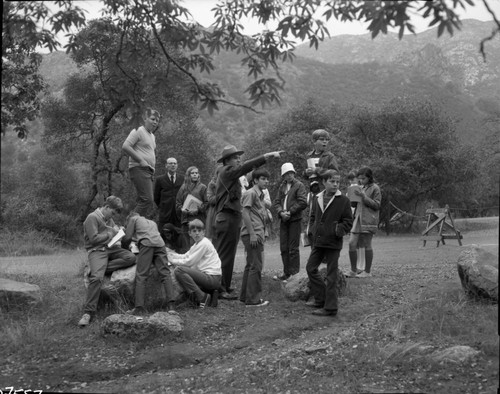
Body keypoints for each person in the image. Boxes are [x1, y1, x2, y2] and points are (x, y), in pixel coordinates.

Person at [212, 145, 284, 300]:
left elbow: (249, 174)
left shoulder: (232, 175)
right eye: (235, 157)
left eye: (239, 157)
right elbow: (245, 168)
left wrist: (262, 163)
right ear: (226, 161)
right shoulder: (226, 171)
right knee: (224, 255)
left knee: (229, 254)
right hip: (226, 217)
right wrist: (266, 155)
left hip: (232, 217)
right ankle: (219, 288)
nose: (239, 159)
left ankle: (225, 286)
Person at [78, 196, 136, 327]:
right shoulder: (92, 218)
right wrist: (111, 234)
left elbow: (114, 229)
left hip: (111, 248)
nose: (113, 216)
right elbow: (93, 239)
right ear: (107, 207)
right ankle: (88, 313)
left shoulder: (108, 218)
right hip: (97, 250)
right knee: (97, 278)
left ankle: (98, 268)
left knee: (131, 258)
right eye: (113, 212)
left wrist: (120, 231)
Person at [306, 170, 353, 316]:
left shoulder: (343, 200)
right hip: (319, 241)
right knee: (310, 268)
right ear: (324, 182)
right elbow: (313, 216)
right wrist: (312, 231)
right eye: (332, 181)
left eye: (338, 182)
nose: (335, 184)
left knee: (332, 275)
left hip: (333, 242)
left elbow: (348, 222)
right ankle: (321, 299)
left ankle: (331, 308)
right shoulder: (317, 198)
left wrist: (336, 230)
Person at [123, 211, 176, 315]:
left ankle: (139, 307)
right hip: (160, 245)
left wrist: (124, 248)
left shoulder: (133, 219)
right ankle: (171, 306)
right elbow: (148, 235)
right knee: (165, 273)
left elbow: (128, 238)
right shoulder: (152, 222)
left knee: (141, 275)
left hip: (147, 245)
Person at [167, 219, 222, 308]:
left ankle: (202, 297)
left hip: (212, 278)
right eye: (194, 231)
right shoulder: (196, 244)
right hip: (207, 276)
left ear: (203, 232)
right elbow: (185, 256)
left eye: (199, 231)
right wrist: (171, 255)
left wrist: (172, 261)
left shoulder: (204, 243)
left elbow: (189, 261)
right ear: (190, 233)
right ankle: (197, 298)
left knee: (179, 270)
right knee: (182, 270)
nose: (197, 233)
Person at [240, 168, 272, 307]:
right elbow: (245, 213)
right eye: (263, 179)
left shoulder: (260, 196)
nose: (266, 182)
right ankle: (253, 299)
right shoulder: (251, 193)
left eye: (267, 179)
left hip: (257, 232)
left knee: (250, 265)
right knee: (256, 266)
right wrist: (252, 234)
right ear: (255, 180)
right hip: (252, 234)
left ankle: (244, 297)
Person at [122, 108, 161, 218]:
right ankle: (130, 224)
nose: (155, 122)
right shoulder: (138, 130)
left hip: (148, 172)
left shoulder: (152, 136)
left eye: (157, 121)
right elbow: (125, 146)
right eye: (153, 119)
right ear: (145, 118)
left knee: (143, 200)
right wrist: (141, 160)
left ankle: (134, 226)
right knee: (147, 199)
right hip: (138, 168)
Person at [272, 163, 307, 281]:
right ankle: (286, 273)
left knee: (293, 248)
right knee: (284, 248)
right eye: (286, 174)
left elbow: (302, 202)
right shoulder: (282, 187)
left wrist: (290, 212)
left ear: (294, 173)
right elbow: (276, 202)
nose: (289, 175)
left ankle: (295, 275)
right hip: (284, 220)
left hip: (294, 220)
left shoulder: (299, 185)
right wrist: (281, 213)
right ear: (283, 175)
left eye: (291, 173)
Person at [348, 167, 382, 278]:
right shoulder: (359, 187)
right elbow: (355, 204)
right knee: (352, 243)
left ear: (369, 177)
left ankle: (367, 272)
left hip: (369, 219)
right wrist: (352, 198)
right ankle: (354, 270)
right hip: (357, 218)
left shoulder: (375, 188)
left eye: (363, 178)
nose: (361, 181)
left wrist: (364, 196)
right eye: (359, 179)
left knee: (367, 244)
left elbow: (377, 205)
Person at [176, 166, 208, 250]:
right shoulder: (183, 187)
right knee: (186, 247)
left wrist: (198, 209)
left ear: (198, 175)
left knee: (198, 246)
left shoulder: (203, 187)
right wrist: (182, 209)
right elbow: (178, 203)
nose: (194, 175)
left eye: (196, 173)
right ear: (188, 175)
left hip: (198, 219)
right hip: (186, 220)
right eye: (192, 173)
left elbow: (207, 203)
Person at [154, 157, 184, 232]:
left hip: (178, 214)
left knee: (178, 235)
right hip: (165, 213)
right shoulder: (160, 179)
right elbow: (156, 197)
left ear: (177, 165)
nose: (173, 165)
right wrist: (162, 206)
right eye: (170, 163)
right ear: (166, 165)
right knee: (163, 234)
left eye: (175, 163)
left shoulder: (182, 179)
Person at [205, 166, 221, 240]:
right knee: (216, 239)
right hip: (215, 213)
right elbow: (210, 199)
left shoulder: (230, 183)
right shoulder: (212, 184)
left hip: (228, 212)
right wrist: (221, 196)